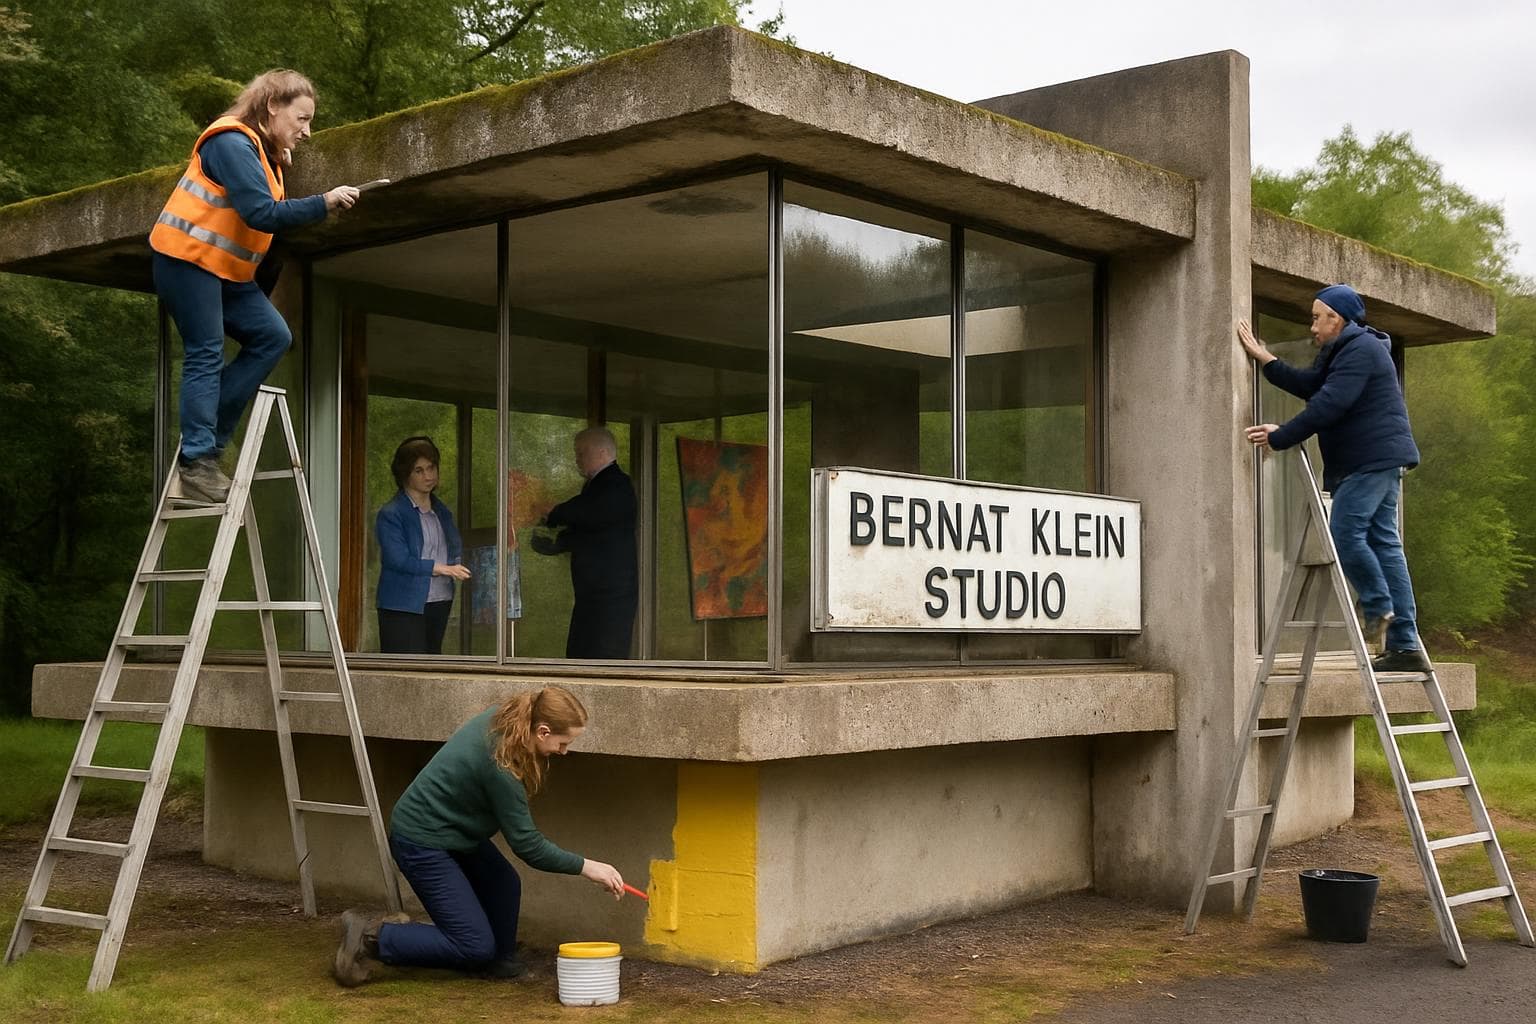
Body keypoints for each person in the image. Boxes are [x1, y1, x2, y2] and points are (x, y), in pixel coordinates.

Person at [149, 69, 361, 503]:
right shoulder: (230, 142)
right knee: (206, 350)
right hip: (186, 261)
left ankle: (202, 447)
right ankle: (198, 458)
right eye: (301, 119)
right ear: (271, 107)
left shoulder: (267, 156)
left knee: (273, 336)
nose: (307, 131)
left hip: (227, 272)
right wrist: (323, 202)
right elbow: (260, 214)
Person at [332, 686, 625, 986]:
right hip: (421, 840)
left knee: (504, 883)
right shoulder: (502, 765)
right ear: (543, 730)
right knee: (473, 945)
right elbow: (527, 845)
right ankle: (370, 937)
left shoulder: (509, 720)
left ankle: (499, 960)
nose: (564, 751)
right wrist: (589, 867)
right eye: (563, 743)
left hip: (456, 833)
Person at [1238, 284, 1428, 673]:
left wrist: (1280, 437)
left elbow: (1328, 405)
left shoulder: (1360, 350)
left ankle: (1377, 608)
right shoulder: (1344, 351)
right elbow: (1312, 387)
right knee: (1384, 544)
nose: (1312, 327)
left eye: (1315, 317)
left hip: (1369, 461)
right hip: (1376, 461)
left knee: (1345, 533)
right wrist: (1266, 358)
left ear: (1335, 318)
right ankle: (1405, 646)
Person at [529, 427, 638, 659]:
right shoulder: (597, 486)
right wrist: (558, 542)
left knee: (603, 656)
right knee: (582, 653)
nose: (577, 459)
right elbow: (591, 531)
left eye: (581, 453)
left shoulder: (617, 484)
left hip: (611, 595)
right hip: (593, 593)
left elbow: (588, 513)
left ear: (601, 452)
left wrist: (554, 512)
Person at [376, 437, 469, 655]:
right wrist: (443, 569)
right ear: (404, 474)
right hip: (402, 605)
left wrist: (460, 565)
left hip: (440, 599)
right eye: (418, 470)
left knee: (432, 664)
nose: (428, 475)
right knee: (406, 671)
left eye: (431, 467)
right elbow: (397, 559)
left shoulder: (442, 511)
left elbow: (453, 548)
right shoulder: (392, 513)